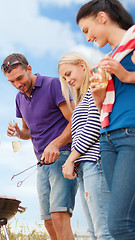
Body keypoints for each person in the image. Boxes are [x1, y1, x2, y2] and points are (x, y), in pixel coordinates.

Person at [76, 0, 135, 239]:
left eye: (86, 30)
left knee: (119, 224)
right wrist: (99, 96)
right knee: (126, 219)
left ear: (102, 17)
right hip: (108, 139)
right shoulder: (109, 57)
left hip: (130, 135)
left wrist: (126, 74)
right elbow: (107, 104)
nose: (87, 38)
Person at [3, 53, 77, 240]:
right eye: (12, 82)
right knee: (48, 221)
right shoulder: (19, 99)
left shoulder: (53, 85)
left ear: (29, 69)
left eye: (19, 78)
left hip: (64, 156)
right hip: (42, 163)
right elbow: (28, 132)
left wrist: (56, 143)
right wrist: (19, 133)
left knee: (59, 215)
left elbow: (75, 120)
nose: (17, 84)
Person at [58, 52, 112, 239]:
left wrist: (70, 159)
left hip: (95, 163)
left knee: (103, 229)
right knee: (93, 231)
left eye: (68, 73)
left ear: (82, 65)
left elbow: (94, 127)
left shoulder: (93, 91)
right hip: (85, 167)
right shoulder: (83, 99)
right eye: (64, 78)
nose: (68, 80)